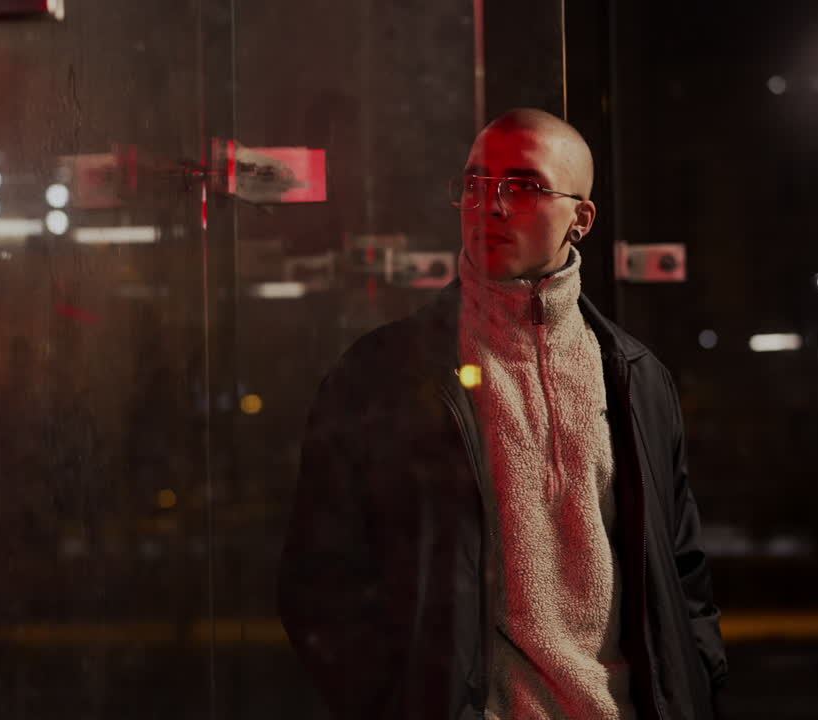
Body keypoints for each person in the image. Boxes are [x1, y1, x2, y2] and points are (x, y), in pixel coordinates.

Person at [278, 108, 726, 720]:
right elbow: (320, 581)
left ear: (581, 219)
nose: (489, 206)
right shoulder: (382, 376)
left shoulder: (637, 377)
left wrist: (695, 687)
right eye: (475, 185)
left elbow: (685, 576)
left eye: (522, 187)